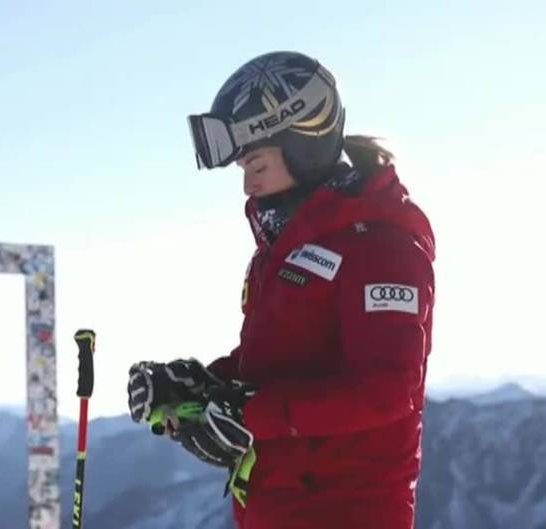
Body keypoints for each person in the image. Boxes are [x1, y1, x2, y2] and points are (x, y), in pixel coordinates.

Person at [128, 50, 435, 529]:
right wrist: (203, 385)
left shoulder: (381, 245)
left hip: (344, 512)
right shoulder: (283, 246)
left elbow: (388, 390)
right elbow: (281, 361)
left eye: (257, 165)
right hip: (277, 505)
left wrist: (250, 415)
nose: (247, 187)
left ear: (302, 144)